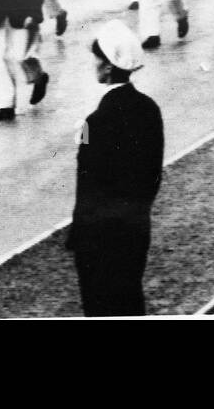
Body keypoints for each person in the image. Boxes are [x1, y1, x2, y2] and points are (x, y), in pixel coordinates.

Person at [66, 20, 164, 317]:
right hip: (136, 227)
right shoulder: (149, 109)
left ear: (108, 66)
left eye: (97, 58)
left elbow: (88, 186)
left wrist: (78, 235)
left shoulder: (95, 122)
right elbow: (153, 175)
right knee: (130, 299)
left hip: (100, 237)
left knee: (100, 306)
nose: (93, 64)